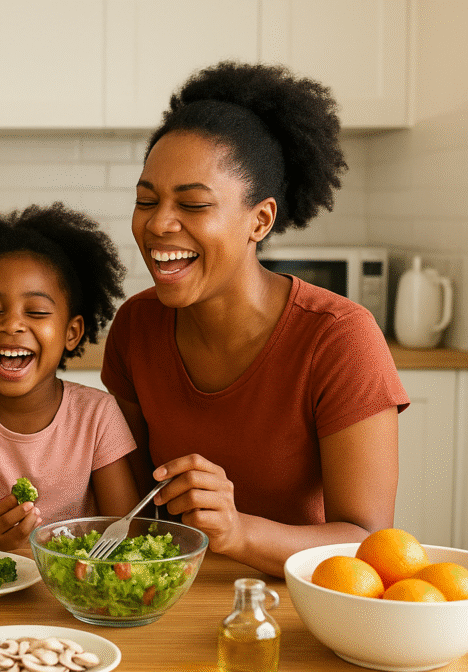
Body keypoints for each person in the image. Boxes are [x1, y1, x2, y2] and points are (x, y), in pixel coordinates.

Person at [101, 61, 409, 577]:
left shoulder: (337, 338)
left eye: (193, 205)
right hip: (168, 599)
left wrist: (237, 531)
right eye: (145, 200)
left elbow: (367, 546)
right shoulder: (136, 326)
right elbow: (131, 510)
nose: (158, 223)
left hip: (297, 611)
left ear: (260, 220)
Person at [0, 202, 139, 551]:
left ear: (72, 332)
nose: (12, 325)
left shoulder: (97, 415)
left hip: (72, 596)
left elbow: (125, 530)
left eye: (36, 311)